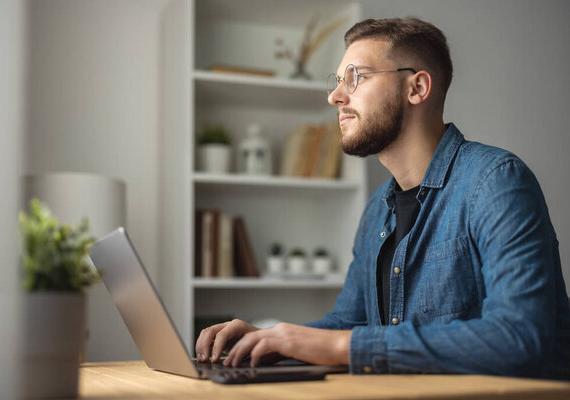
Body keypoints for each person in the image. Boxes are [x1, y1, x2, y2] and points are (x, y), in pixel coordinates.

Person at [195, 17, 570, 379]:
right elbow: (349, 324)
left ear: (417, 88)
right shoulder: (377, 208)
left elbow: (520, 338)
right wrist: (272, 340)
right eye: (337, 81)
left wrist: (343, 347)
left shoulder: (496, 181)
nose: (335, 96)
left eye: (355, 78)